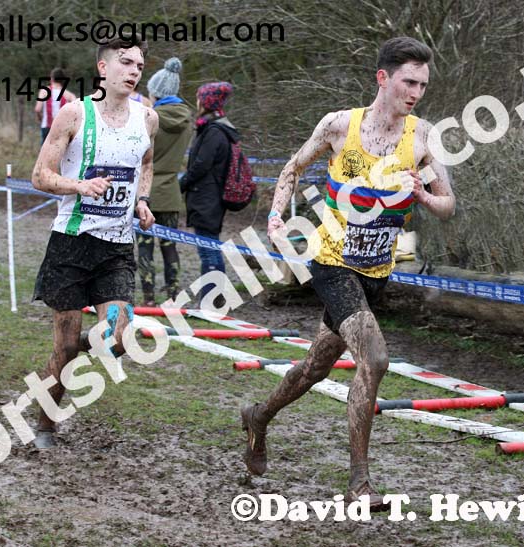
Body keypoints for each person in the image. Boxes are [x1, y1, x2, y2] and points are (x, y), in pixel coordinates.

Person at [240, 37, 455, 510]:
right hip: (332, 261)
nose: (416, 91)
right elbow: (293, 169)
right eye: (408, 81)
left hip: (376, 271)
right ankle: (360, 482)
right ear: (383, 78)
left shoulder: (423, 136)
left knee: (315, 367)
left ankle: (259, 416)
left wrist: (423, 195)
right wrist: (276, 217)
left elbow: (448, 205)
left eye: (422, 84)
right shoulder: (340, 125)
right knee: (374, 359)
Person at [29, 33, 157, 449]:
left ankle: (90, 339)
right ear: (103, 68)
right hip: (71, 244)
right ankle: (46, 423)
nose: (134, 71)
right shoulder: (74, 115)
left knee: (119, 339)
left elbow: (147, 163)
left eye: (139, 65)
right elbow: (40, 176)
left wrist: (141, 199)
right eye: (125, 63)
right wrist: (78, 186)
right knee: (64, 350)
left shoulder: (147, 118)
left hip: (116, 248)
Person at [136, 57, 192, 306]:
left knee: (145, 247)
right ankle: (173, 295)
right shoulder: (187, 118)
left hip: (145, 191)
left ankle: (148, 298)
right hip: (171, 191)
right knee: (171, 248)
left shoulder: (149, 118)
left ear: (156, 92)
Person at [180, 81, 238, 300]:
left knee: (208, 249)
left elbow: (201, 164)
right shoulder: (214, 128)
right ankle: (213, 295)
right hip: (207, 197)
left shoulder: (214, 132)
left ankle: (213, 297)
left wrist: (182, 183)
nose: (196, 101)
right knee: (208, 247)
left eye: (199, 97)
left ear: (207, 102)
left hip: (207, 198)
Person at [34, 67, 77, 145]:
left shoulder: (44, 91)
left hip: (47, 127)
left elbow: (37, 109)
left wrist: (40, 117)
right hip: (62, 128)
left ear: (52, 78)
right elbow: (76, 111)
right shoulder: (69, 95)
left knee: (45, 153)